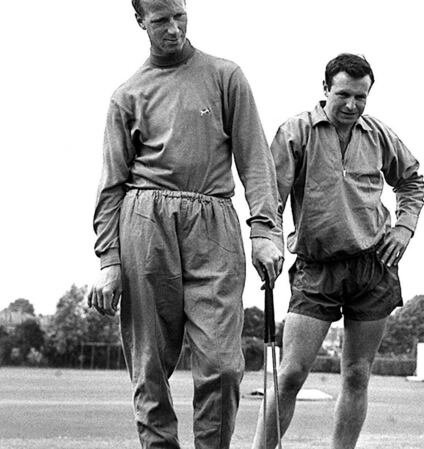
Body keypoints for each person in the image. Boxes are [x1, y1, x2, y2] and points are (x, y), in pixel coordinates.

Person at [86, 1, 284, 448]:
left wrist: (265, 231)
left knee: (222, 365)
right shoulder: (127, 94)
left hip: (213, 222)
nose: (173, 28)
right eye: (160, 20)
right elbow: (111, 184)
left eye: (179, 15)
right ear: (140, 21)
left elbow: (255, 159)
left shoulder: (225, 75)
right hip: (144, 224)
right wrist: (109, 261)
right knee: (150, 369)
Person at [252, 53, 424, 449]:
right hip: (317, 267)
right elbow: (270, 199)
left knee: (357, 374)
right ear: (325, 88)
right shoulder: (296, 131)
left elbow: (412, 182)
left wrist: (403, 228)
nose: (351, 105)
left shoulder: (379, 135)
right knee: (291, 373)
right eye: (343, 94)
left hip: (374, 266)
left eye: (361, 97)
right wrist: (268, 241)